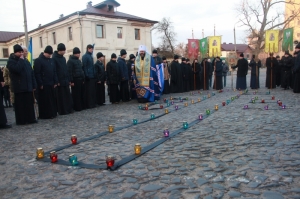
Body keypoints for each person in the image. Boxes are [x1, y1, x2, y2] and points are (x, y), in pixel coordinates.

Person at [7, 45, 37, 125]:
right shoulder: (11, 61)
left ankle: (31, 118)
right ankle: (22, 120)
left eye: (22, 52)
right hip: (19, 87)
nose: (21, 54)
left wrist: (34, 85)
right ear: (15, 53)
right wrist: (20, 60)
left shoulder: (26, 61)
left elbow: (31, 73)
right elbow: (17, 69)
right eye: (19, 52)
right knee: (21, 105)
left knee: (29, 104)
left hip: (28, 86)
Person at [34, 45, 58, 119]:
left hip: (51, 83)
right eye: (48, 54)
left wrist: (55, 81)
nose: (49, 56)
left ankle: (53, 113)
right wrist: (40, 83)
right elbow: (37, 73)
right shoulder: (38, 60)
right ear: (45, 52)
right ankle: (46, 114)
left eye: (50, 54)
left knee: (52, 99)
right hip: (44, 83)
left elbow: (54, 71)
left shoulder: (51, 60)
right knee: (45, 100)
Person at [52, 43, 73, 115]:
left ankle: (68, 109)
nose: (64, 52)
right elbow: (54, 70)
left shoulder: (63, 58)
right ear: (59, 50)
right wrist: (56, 81)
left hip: (65, 80)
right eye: (63, 50)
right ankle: (62, 110)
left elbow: (66, 69)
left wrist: (69, 79)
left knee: (67, 95)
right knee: (61, 97)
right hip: (60, 81)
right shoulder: (54, 58)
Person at [67, 47, 85, 111]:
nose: (78, 54)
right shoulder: (70, 61)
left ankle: (81, 106)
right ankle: (76, 107)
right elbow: (70, 72)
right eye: (77, 53)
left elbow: (81, 70)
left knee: (81, 93)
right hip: (75, 79)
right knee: (75, 94)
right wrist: (71, 81)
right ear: (74, 54)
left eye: (79, 53)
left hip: (80, 79)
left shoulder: (79, 61)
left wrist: (83, 79)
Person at [82, 44, 97, 109]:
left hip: (92, 75)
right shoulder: (85, 56)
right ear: (88, 49)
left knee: (92, 91)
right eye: (91, 49)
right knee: (89, 92)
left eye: (92, 49)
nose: (92, 50)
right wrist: (86, 75)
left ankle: (92, 103)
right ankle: (89, 104)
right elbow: (84, 66)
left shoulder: (90, 56)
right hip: (88, 76)